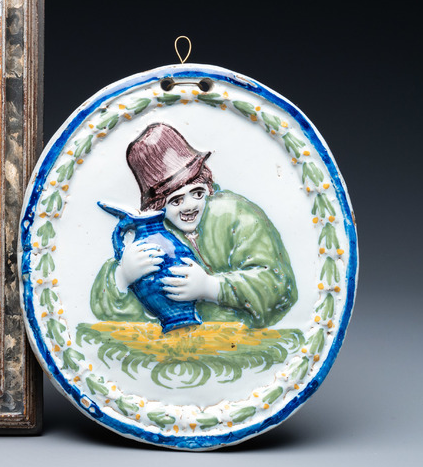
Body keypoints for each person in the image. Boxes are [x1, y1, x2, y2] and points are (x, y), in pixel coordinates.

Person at [91, 123, 297, 329]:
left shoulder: (237, 215)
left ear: (207, 186)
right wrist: (122, 277)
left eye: (197, 193)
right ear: (157, 207)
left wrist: (212, 288)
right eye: (176, 200)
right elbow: (103, 310)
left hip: (243, 339)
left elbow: (279, 285)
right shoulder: (156, 235)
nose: (189, 206)